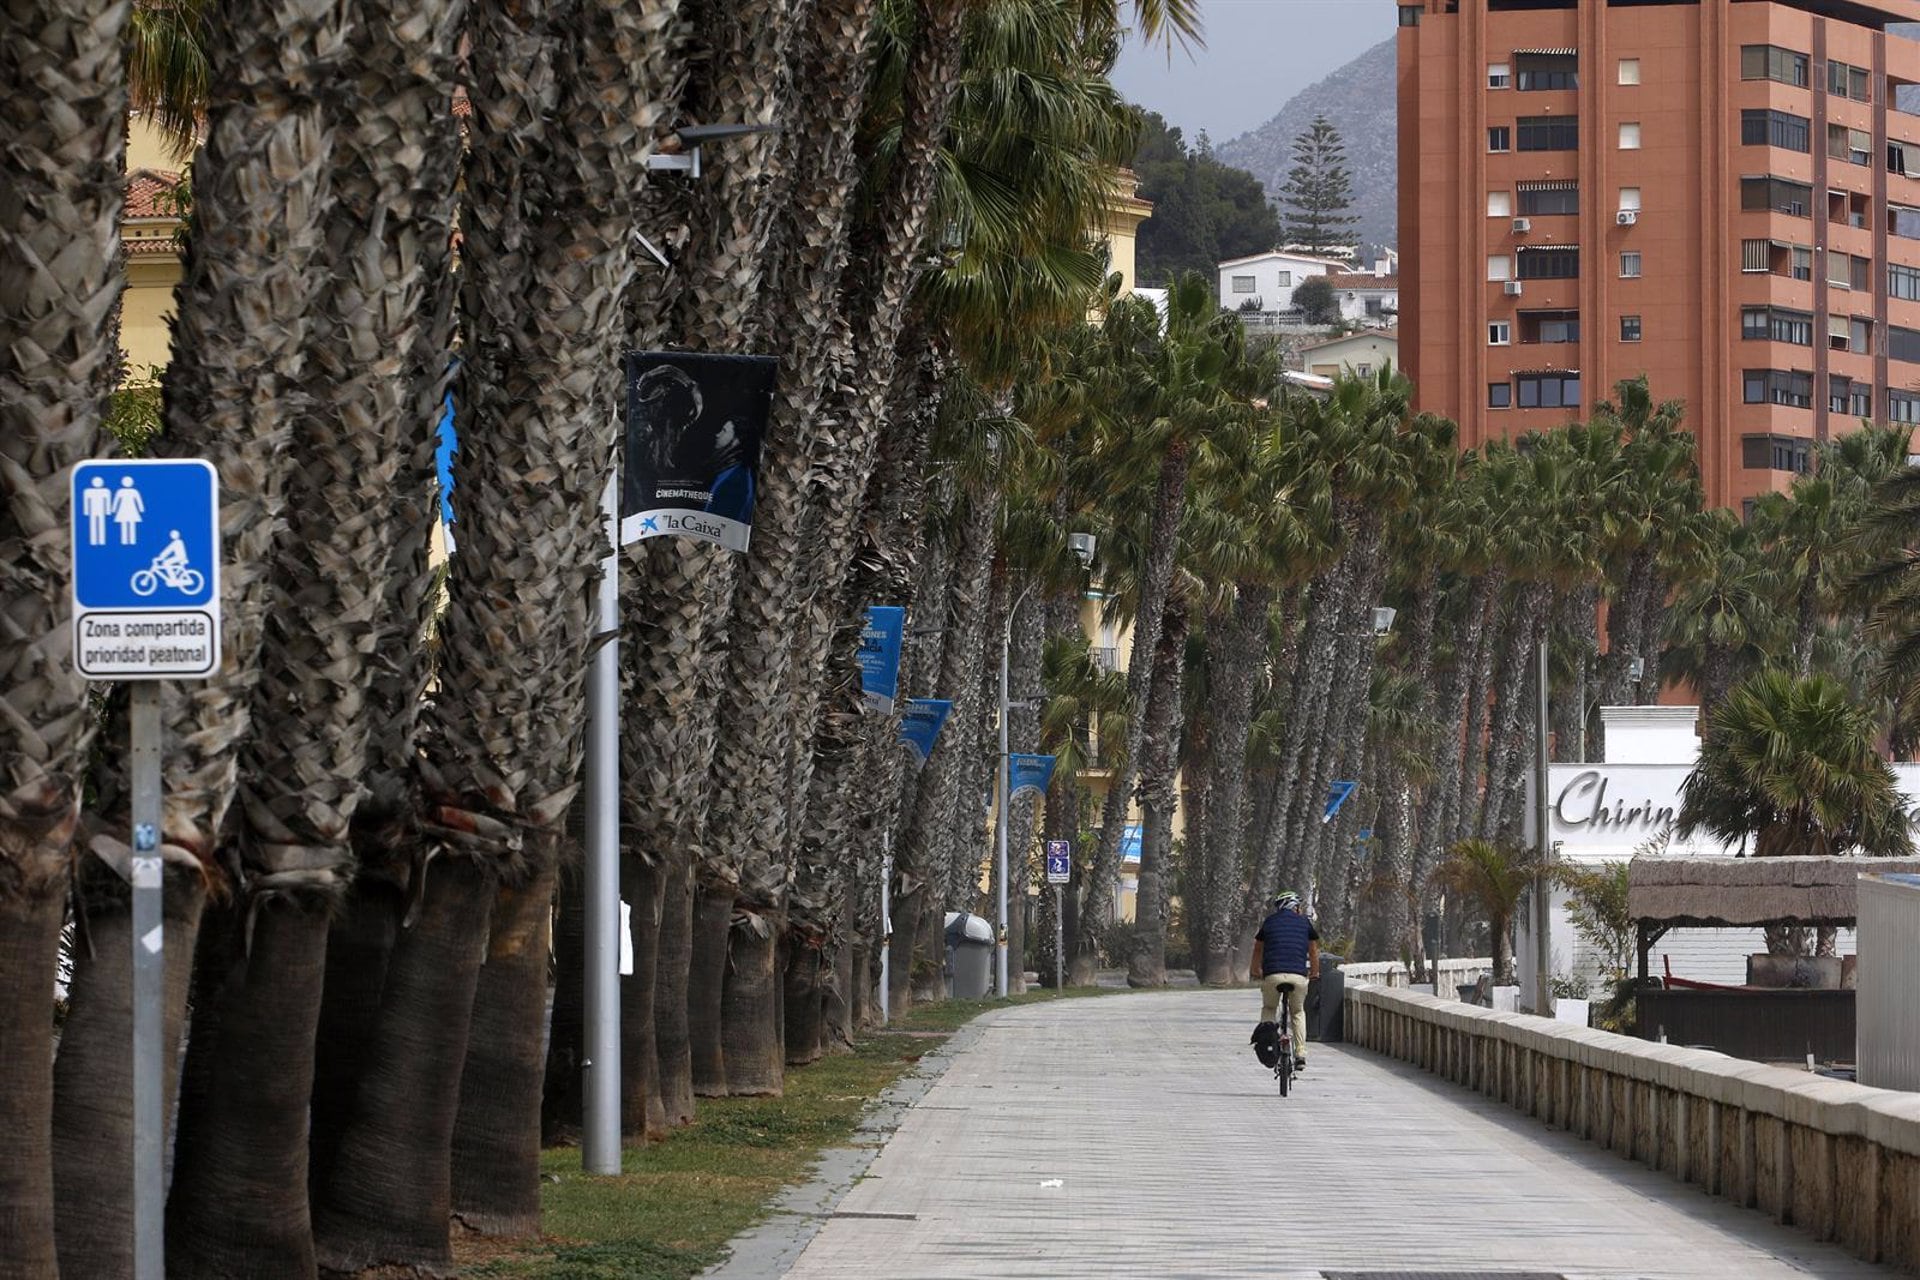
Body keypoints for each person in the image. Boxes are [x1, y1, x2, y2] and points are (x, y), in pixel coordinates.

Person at [1249, 891, 1319, 1070]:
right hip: (1298, 976)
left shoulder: (1270, 922)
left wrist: (1255, 971)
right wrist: (1315, 973)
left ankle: (1269, 1043)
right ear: (1294, 907)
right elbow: (1313, 951)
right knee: (1297, 1012)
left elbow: (1258, 949)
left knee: (1269, 1008)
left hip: (1273, 975)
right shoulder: (1304, 922)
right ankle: (1301, 1052)